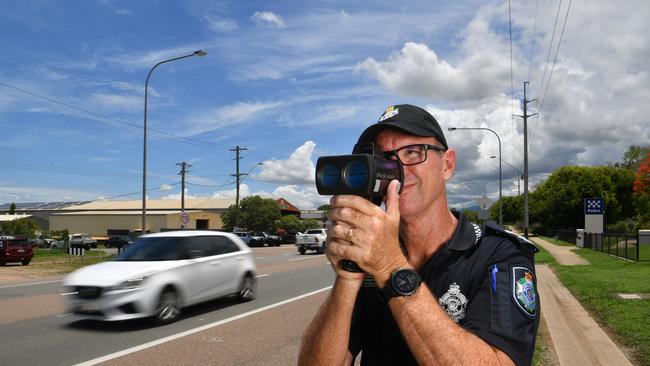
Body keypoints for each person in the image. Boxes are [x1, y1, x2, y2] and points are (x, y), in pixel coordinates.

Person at [299, 104, 539, 365]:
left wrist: (391, 266)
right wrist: (348, 276)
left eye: (413, 152)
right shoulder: (370, 260)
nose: (398, 170)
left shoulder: (499, 253)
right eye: (384, 159)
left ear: (447, 164)